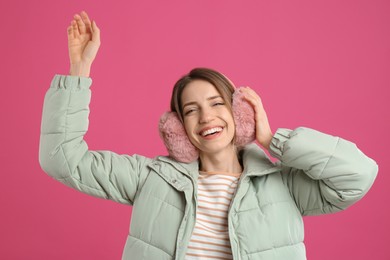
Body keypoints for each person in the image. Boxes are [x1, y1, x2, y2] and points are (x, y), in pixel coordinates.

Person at [39, 11, 378, 260]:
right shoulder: (152, 179)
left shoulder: (284, 186)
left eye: (217, 103)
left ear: (240, 112)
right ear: (179, 129)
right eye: (190, 110)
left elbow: (358, 175)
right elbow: (62, 159)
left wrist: (273, 139)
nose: (206, 117)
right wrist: (79, 68)